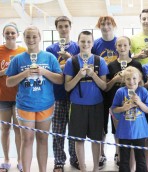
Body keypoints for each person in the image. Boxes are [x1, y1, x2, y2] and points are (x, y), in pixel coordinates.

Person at [6, 25, 63, 172]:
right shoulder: (18, 60)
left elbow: (59, 79)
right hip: (25, 105)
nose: (31, 39)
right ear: (24, 38)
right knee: (27, 140)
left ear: (39, 38)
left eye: (34, 36)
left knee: (42, 140)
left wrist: (44, 71)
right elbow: (9, 82)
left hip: (46, 105)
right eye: (28, 36)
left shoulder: (49, 57)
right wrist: (24, 74)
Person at [64, 30, 108, 172]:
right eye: (83, 41)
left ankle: (95, 168)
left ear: (93, 43)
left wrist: (92, 74)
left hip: (96, 105)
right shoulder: (72, 61)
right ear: (78, 43)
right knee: (79, 139)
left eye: (89, 41)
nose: (85, 44)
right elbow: (67, 87)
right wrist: (79, 75)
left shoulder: (99, 61)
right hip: (77, 105)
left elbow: (104, 86)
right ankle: (82, 168)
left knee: (96, 139)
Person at [0, 22, 26, 172]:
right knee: (5, 129)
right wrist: (4, 72)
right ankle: (6, 159)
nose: (10, 35)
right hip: (2, 96)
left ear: (17, 35)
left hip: (20, 96)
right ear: (3, 35)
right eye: (7, 33)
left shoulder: (23, 51)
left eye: (12, 33)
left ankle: (20, 160)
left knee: (19, 129)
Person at [46, 16, 80, 172]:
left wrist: (70, 59)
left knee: (74, 131)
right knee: (58, 131)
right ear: (57, 28)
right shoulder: (50, 50)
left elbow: (83, 67)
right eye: (60, 26)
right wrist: (65, 65)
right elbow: (50, 71)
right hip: (57, 95)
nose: (64, 29)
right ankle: (59, 161)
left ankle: (75, 158)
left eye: (66, 26)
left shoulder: (77, 48)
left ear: (70, 27)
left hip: (74, 96)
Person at [106, 36, 144, 170]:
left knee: (133, 134)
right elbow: (106, 87)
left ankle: (132, 164)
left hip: (135, 106)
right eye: (119, 46)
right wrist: (116, 79)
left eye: (125, 45)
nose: (122, 48)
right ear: (116, 47)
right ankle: (119, 155)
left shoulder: (136, 64)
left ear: (129, 47)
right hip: (118, 105)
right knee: (119, 133)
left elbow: (142, 85)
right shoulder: (111, 65)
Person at [111, 66, 148, 172]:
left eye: (134, 78)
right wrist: (124, 108)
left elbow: (147, 110)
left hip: (140, 131)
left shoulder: (143, 91)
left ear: (139, 79)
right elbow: (114, 109)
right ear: (124, 80)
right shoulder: (120, 92)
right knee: (124, 160)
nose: (131, 81)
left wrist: (139, 102)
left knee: (141, 159)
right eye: (128, 79)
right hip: (124, 130)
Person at [91, 16, 118, 168]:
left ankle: (117, 152)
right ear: (99, 26)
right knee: (101, 122)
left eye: (109, 23)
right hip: (101, 87)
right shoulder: (96, 45)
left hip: (116, 88)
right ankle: (101, 154)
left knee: (117, 122)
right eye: (103, 23)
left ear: (113, 25)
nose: (106, 26)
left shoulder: (119, 42)